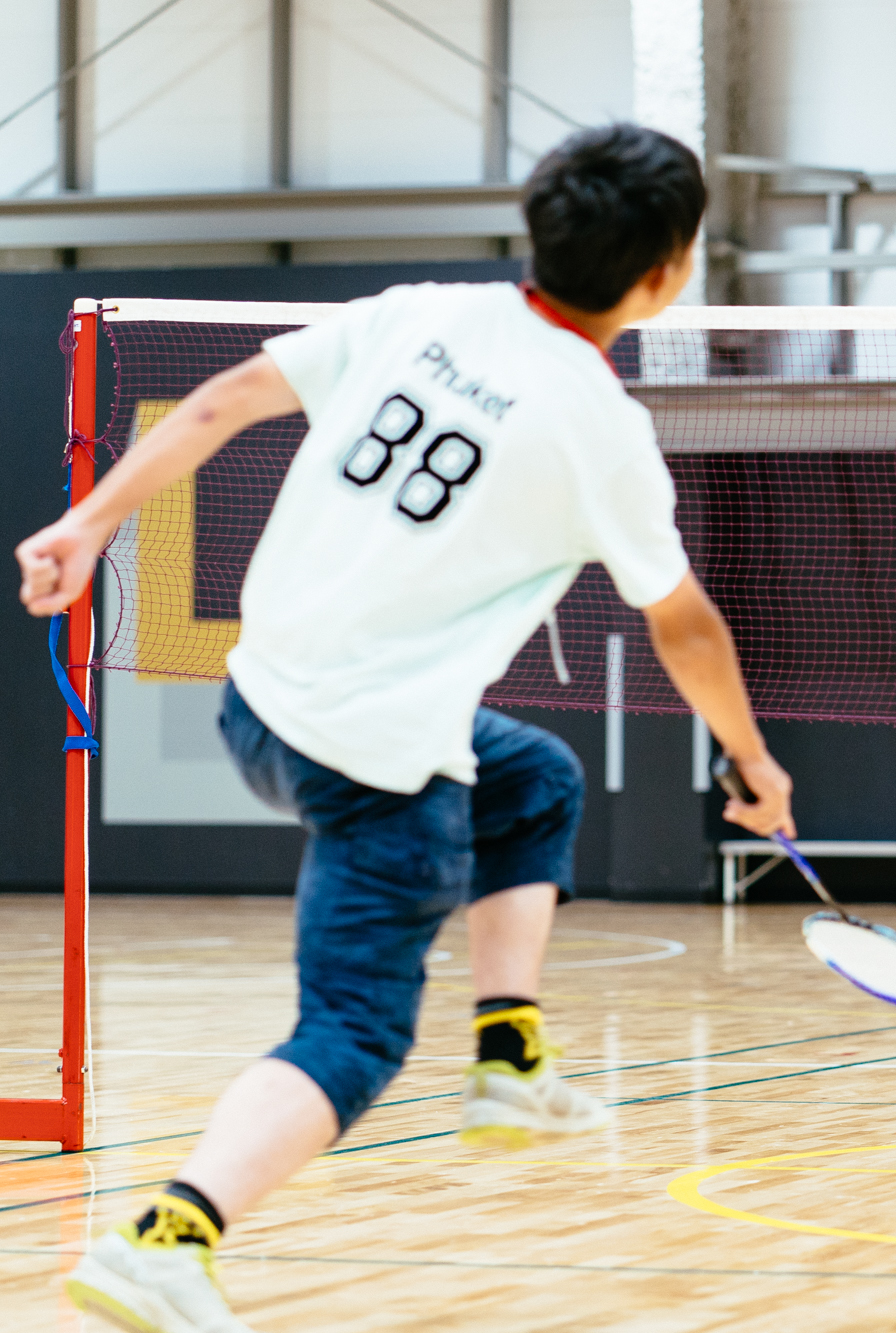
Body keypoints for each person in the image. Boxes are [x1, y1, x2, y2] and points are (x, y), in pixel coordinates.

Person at [17, 124, 793, 1333]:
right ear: (666, 274)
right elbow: (683, 623)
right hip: (380, 765)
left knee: (532, 778)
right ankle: (164, 1240)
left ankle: (510, 1056)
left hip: (261, 700)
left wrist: (91, 523)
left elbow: (224, 400)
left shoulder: (424, 310)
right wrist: (751, 761)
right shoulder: (603, 430)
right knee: (354, 1031)